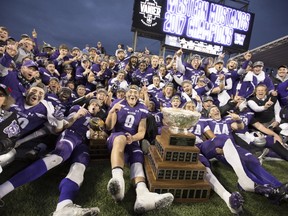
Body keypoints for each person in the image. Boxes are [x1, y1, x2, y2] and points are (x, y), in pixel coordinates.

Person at [0, 99, 102, 215]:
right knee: (58, 156)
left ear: (99, 109)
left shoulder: (98, 120)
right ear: (89, 105)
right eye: (93, 103)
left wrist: (96, 134)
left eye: (97, 105)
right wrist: (77, 116)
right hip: (71, 134)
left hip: (82, 142)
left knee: (79, 167)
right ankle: (2, 190)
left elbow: (101, 135)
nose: (94, 105)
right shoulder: (79, 109)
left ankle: (64, 206)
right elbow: (66, 123)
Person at [105, 85, 174, 214]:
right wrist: (111, 112)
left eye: (135, 92)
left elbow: (141, 132)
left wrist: (133, 138)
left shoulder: (142, 108)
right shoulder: (118, 103)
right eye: (130, 92)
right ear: (125, 95)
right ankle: (118, 180)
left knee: (138, 157)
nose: (133, 94)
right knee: (120, 138)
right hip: (116, 138)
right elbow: (109, 127)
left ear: (139, 95)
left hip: (132, 139)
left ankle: (143, 195)